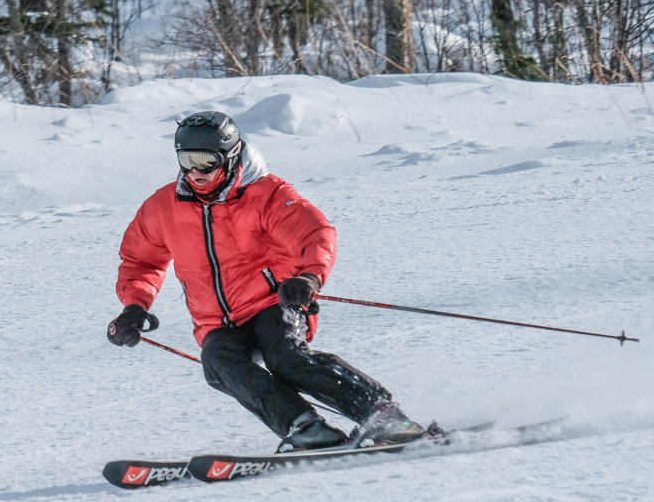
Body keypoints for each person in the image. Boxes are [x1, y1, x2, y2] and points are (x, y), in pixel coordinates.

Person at [107, 111, 425, 452]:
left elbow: (314, 232)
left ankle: (383, 415)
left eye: (206, 162)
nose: (195, 173)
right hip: (216, 320)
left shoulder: (266, 193)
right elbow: (141, 260)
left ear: (229, 156)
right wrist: (134, 306)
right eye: (186, 160)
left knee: (286, 360)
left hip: (275, 301)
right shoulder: (163, 206)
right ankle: (304, 427)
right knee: (218, 364)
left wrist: (307, 277)